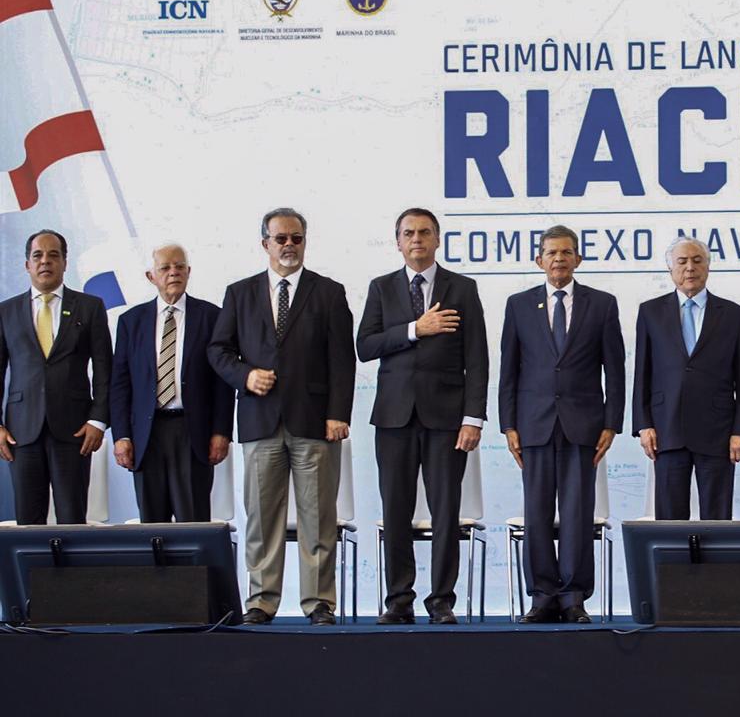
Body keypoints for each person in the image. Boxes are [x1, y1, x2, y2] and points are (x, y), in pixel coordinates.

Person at [208, 208, 355, 625]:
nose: (289, 246)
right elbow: (218, 351)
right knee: (262, 519)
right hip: (259, 421)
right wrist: (245, 375)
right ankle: (261, 601)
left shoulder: (328, 292)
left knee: (318, 519)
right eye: (281, 239)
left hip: (315, 423)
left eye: (296, 238)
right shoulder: (239, 293)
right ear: (265, 244)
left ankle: (319, 602)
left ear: (305, 241)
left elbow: (342, 360)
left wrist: (337, 414)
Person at [357, 207, 488, 625]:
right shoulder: (381, 288)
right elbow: (366, 345)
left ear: (437, 240)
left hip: (447, 419)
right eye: (409, 233)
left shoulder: (462, 288)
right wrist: (417, 328)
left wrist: (474, 418)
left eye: (425, 232)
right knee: (396, 510)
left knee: (445, 510)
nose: (417, 239)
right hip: (394, 418)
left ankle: (442, 601)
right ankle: (399, 599)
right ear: (397, 242)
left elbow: (478, 358)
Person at [499, 225, 625, 623]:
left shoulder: (602, 304)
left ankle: (573, 597)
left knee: (576, 512)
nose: (559, 259)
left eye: (566, 252)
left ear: (578, 259)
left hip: (583, 424)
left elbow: (615, 369)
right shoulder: (519, 305)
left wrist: (612, 423)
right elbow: (509, 369)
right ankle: (541, 595)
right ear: (539, 260)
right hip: (533, 424)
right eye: (551, 253)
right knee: (536, 513)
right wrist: (508, 424)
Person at [110, 245, 234, 522]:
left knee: (193, 522)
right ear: (151, 276)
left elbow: (223, 382)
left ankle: (194, 569)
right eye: (165, 268)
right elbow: (119, 383)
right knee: (152, 525)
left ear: (189, 272)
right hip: (146, 434)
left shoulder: (212, 316)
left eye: (179, 267)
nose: (173, 273)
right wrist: (121, 436)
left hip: (193, 432)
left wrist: (221, 431)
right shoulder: (131, 321)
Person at [633, 237, 740, 520]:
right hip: (666, 429)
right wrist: (644, 424)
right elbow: (643, 373)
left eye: (697, 260)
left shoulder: (734, 315)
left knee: (717, 518)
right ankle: (672, 567)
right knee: (669, 520)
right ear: (671, 269)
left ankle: (714, 567)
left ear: (708, 267)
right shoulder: (650, 312)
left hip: (718, 431)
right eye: (682, 261)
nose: (690, 267)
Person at [0, 230, 111, 523]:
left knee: (73, 520)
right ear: (27, 265)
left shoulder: (90, 307)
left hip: (75, 431)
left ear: (64, 262)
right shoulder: (6, 311)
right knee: (28, 522)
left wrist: (98, 419)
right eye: (37, 255)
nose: (45, 261)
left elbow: (104, 369)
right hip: (21, 433)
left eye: (53, 255)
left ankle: (74, 572)